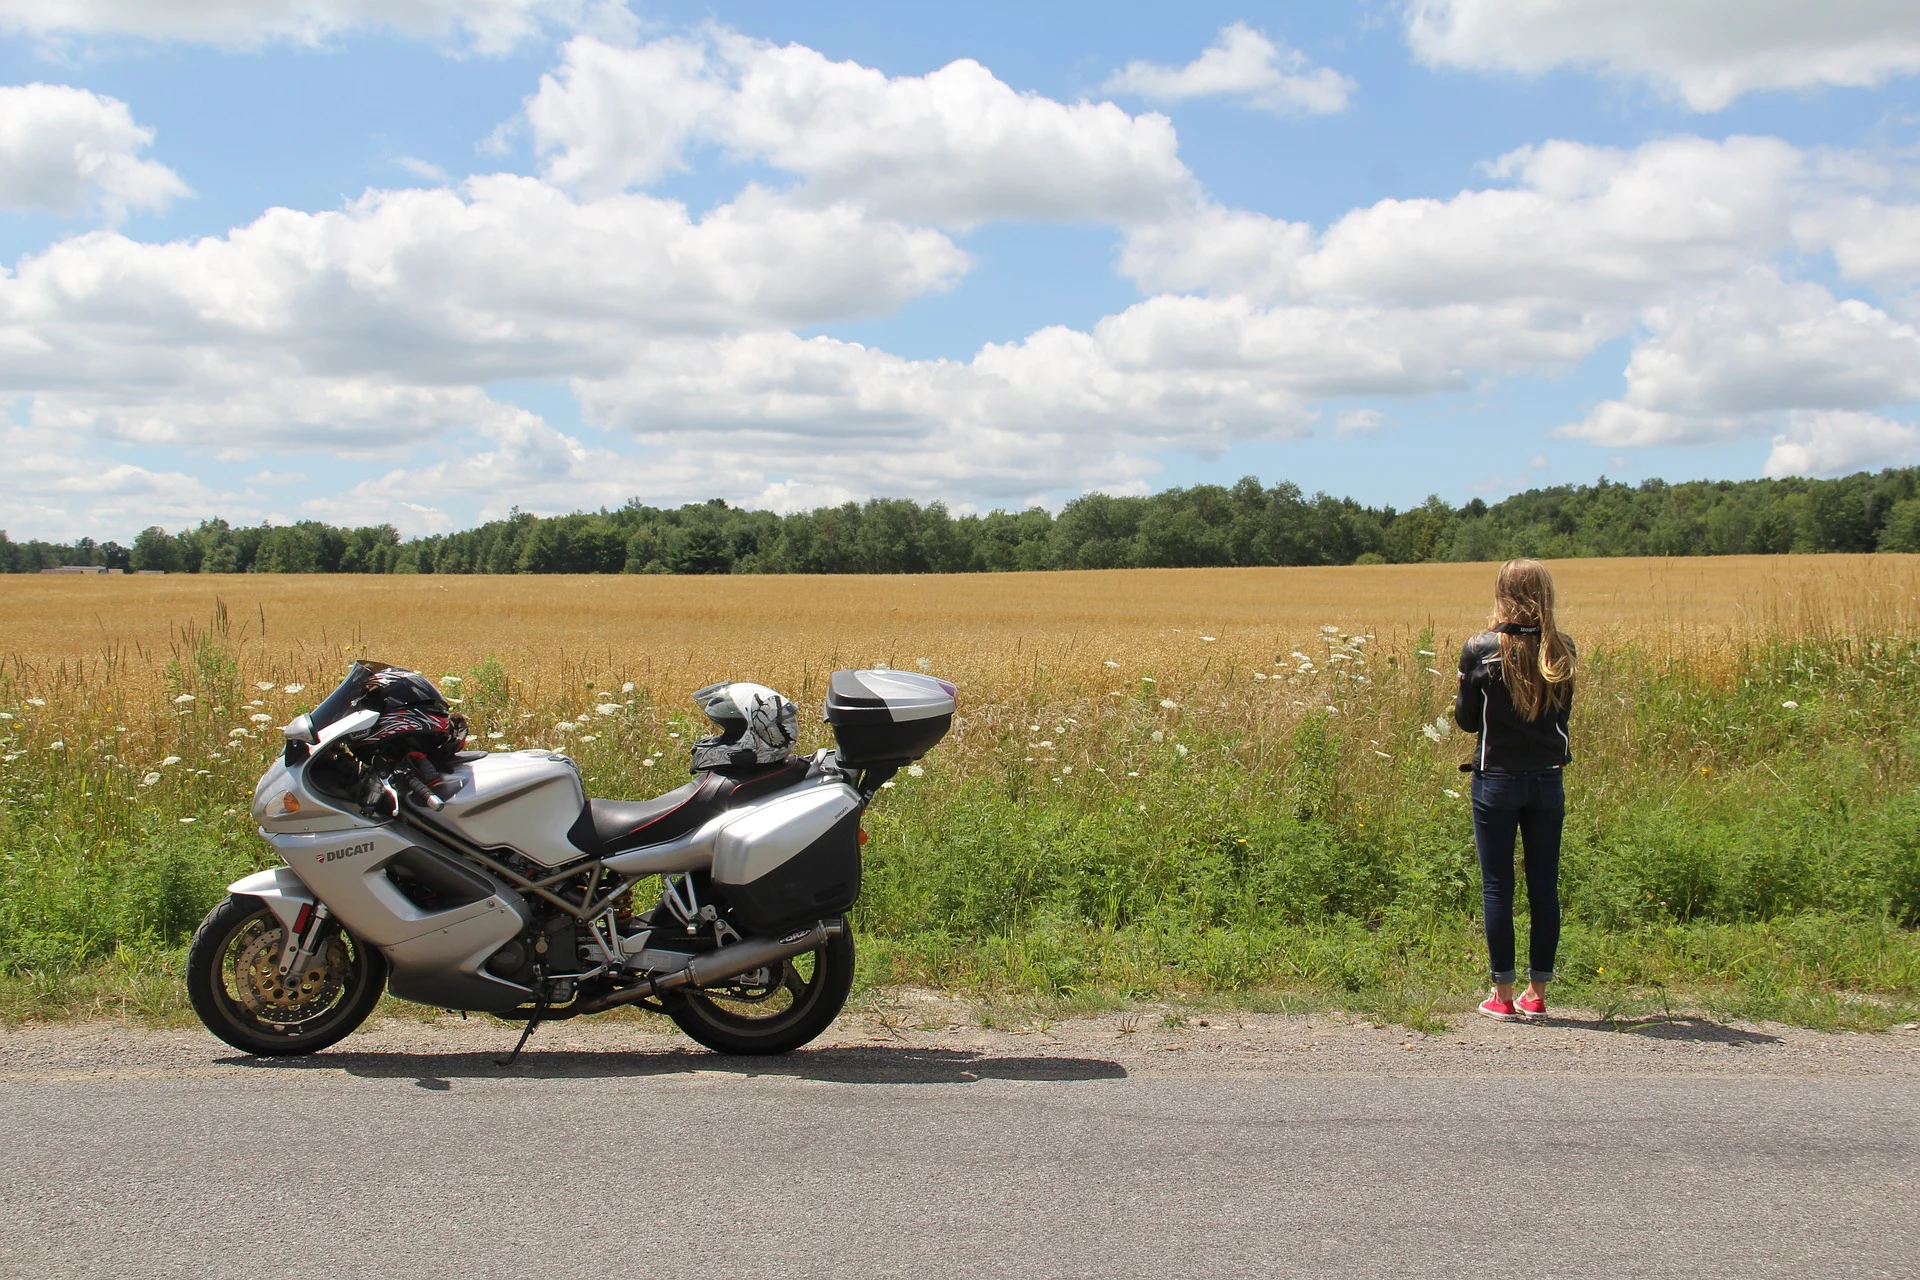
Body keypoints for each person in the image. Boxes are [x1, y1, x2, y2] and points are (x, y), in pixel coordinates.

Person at [1454, 559, 1576, 1022]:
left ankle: (1502, 997)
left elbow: (1467, 721)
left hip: (1496, 779)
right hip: (1547, 777)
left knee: (1497, 887)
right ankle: (1537, 993)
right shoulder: (1563, 649)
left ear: (1502, 592)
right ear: (1545, 594)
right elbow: (1561, 718)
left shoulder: (1479, 648)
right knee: (1544, 887)